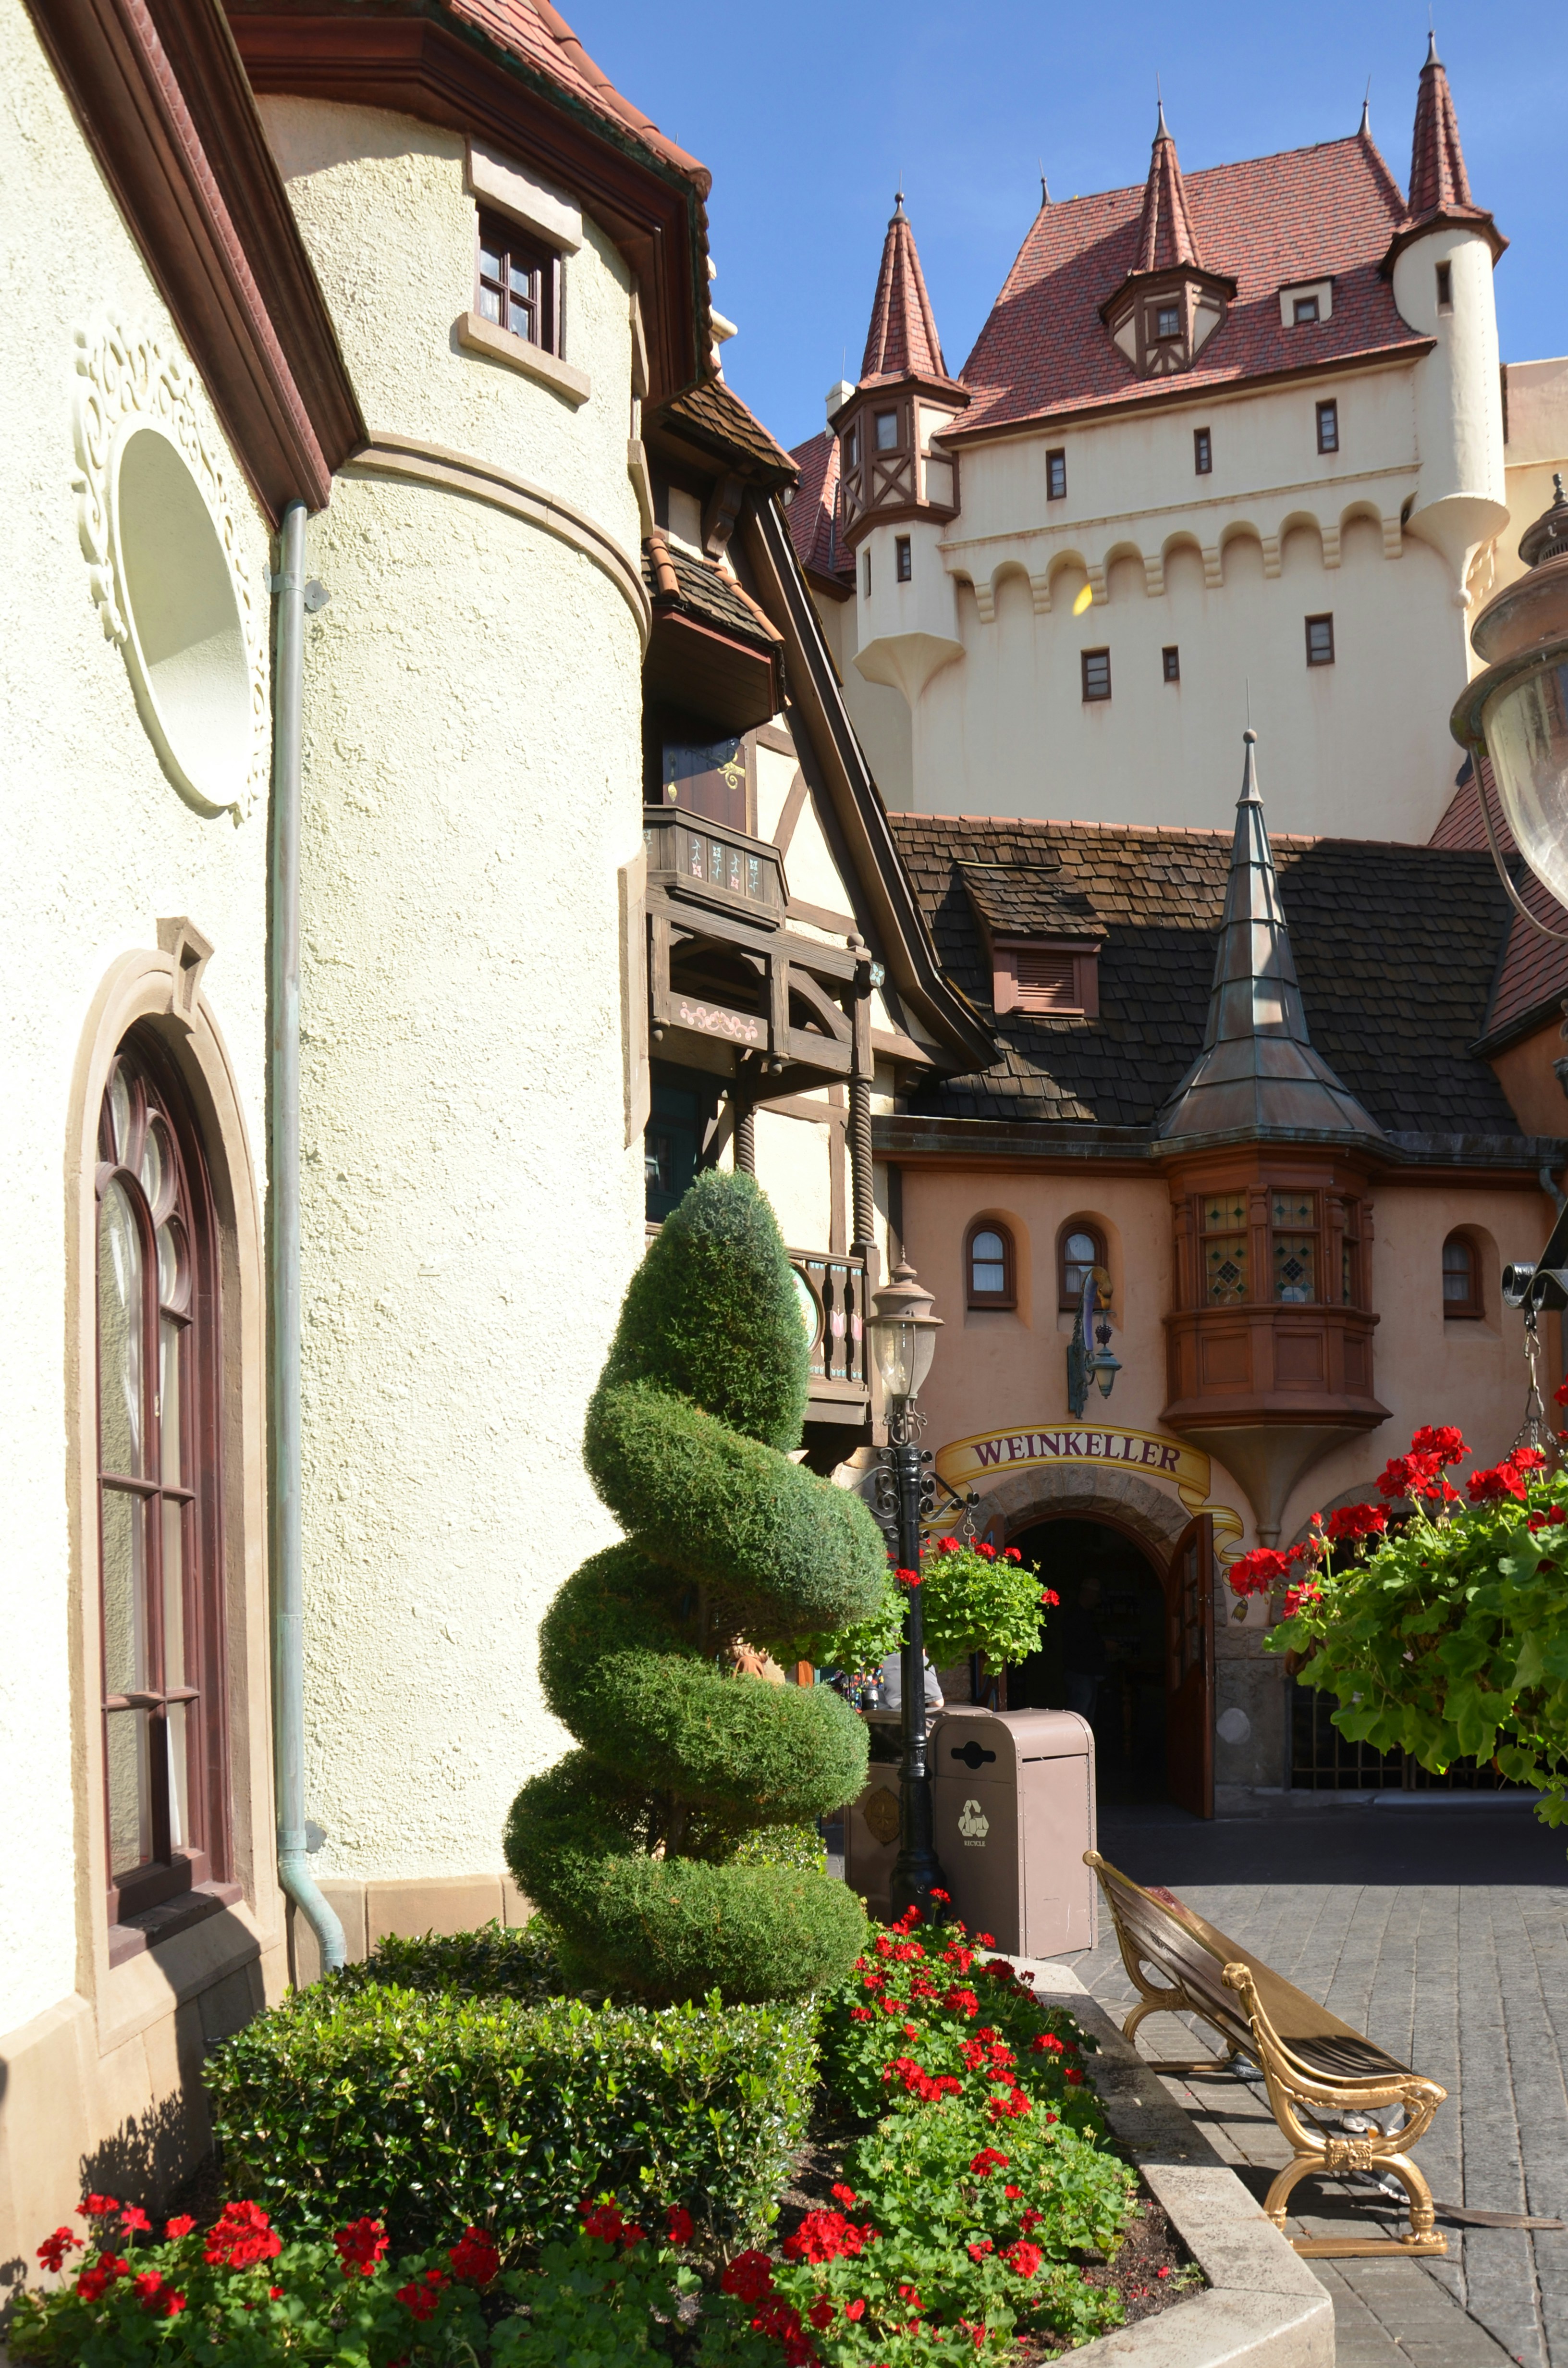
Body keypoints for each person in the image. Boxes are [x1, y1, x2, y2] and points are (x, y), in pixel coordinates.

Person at [1060, 1576, 1105, 1725]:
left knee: (1085, 1719)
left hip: (1086, 1674)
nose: (1098, 1601)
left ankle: (1084, 1748)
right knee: (1079, 1719)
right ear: (1089, 1594)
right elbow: (1081, 1645)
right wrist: (1104, 1646)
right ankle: (1075, 1748)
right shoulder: (1076, 1617)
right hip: (1079, 1674)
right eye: (1097, 1596)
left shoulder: (1084, 1615)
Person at [877, 1650, 944, 1712]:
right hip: (921, 1719)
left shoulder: (877, 1664)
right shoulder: (924, 1662)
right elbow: (938, 1703)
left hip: (887, 1718)